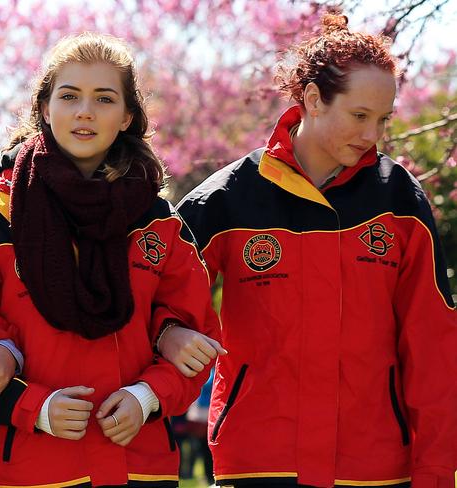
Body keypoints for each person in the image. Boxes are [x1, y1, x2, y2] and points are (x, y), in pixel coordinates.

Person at [176, 13, 457, 488]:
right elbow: (156, 293)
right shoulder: (227, 199)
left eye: (382, 119)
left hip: (373, 470)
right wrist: (171, 332)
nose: (373, 135)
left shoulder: (398, 198)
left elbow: (433, 345)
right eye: (359, 116)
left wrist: (434, 474)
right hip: (259, 464)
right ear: (311, 99)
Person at [0, 32, 221, 487]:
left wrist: (148, 396)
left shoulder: (158, 221)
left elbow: (198, 335)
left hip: (140, 466)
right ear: (45, 109)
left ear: (127, 117)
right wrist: (34, 407)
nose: (84, 111)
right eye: (69, 96)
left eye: (104, 98)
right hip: (31, 469)